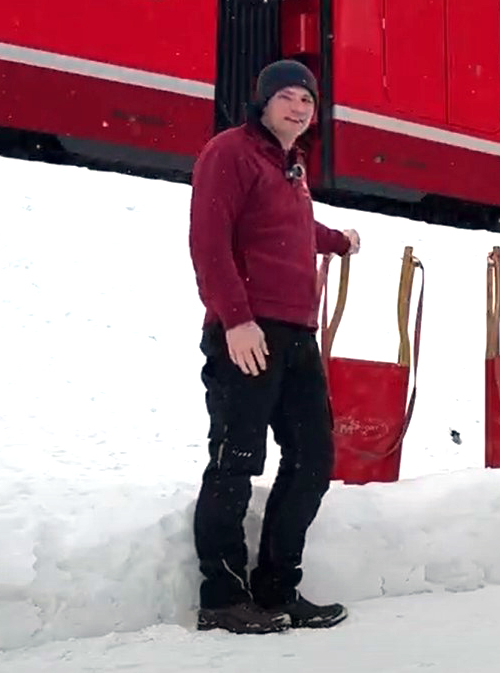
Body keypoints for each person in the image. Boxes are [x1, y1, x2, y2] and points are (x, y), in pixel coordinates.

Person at [187, 59, 360, 634]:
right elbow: (210, 242)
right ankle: (223, 596)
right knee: (235, 461)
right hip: (248, 332)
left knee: (314, 458)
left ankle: (277, 588)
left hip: (295, 333)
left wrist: (337, 241)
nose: (299, 108)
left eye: (307, 101)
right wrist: (236, 321)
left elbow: (292, 225)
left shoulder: (291, 166)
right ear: (262, 102)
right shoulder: (229, 152)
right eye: (287, 97)